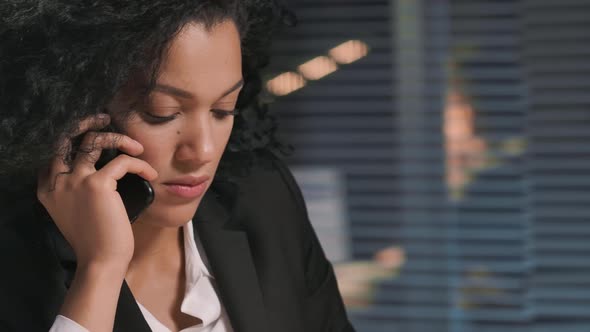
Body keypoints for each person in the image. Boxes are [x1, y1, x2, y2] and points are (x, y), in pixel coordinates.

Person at [0, 1, 355, 331]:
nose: (201, 150)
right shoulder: (17, 259)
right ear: (75, 108)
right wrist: (100, 270)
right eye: (161, 114)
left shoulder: (263, 197)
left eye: (223, 110)